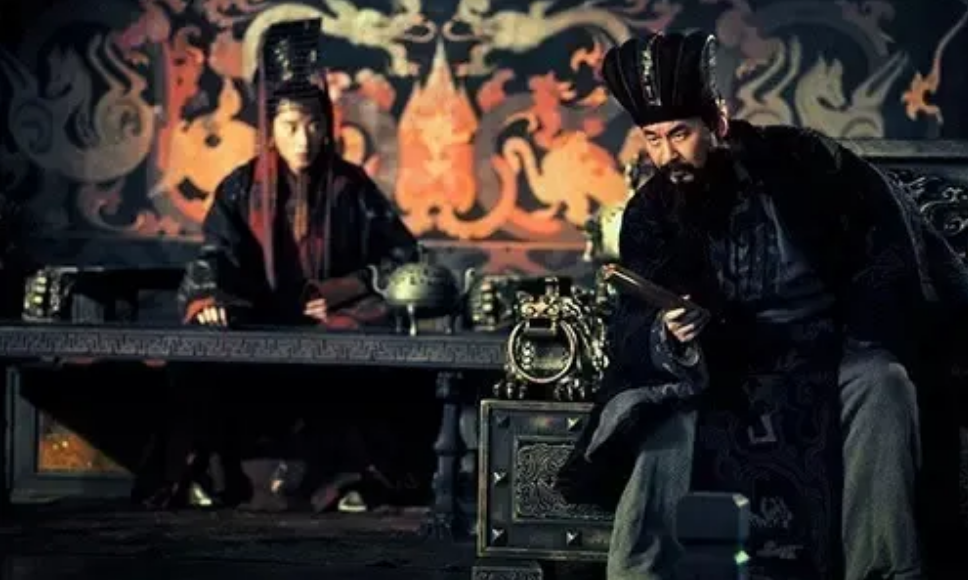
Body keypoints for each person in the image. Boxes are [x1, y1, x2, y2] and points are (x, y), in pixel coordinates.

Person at [556, 31, 968, 580]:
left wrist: (860, 327)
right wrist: (668, 332)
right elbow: (633, 319)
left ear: (717, 121)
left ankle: (882, 568)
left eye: (680, 134)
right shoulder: (652, 209)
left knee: (884, 384)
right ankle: (643, 571)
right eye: (653, 138)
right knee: (659, 414)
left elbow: (890, 253)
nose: (667, 154)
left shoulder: (807, 163)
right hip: (720, 363)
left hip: (828, 351)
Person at [136, 19, 419, 513]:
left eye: (313, 125)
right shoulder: (242, 187)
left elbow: (403, 257)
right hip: (258, 321)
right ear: (271, 130)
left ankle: (359, 482)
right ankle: (206, 477)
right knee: (196, 363)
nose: (304, 139)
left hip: (331, 325)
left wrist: (345, 289)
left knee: (371, 367)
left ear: (327, 127)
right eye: (290, 127)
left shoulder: (352, 188)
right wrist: (212, 298)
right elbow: (217, 253)